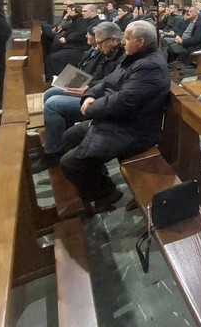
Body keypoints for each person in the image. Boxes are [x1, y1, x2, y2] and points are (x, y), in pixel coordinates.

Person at [60, 20, 170, 213]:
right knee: (70, 136)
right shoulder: (134, 58)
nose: (122, 42)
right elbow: (107, 81)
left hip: (134, 130)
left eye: (127, 38)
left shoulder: (150, 67)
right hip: (119, 120)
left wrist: (91, 108)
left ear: (140, 42)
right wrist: (90, 95)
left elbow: (124, 100)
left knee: (70, 163)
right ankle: (98, 183)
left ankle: (106, 192)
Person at [32, 22, 124, 173]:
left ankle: (53, 153)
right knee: (50, 93)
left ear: (114, 40)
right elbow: (102, 78)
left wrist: (89, 91)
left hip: (100, 100)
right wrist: (87, 87)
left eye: (101, 42)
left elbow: (112, 84)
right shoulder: (109, 51)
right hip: (93, 91)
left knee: (53, 104)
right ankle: (57, 144)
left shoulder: (121, 56)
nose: (98, 46)